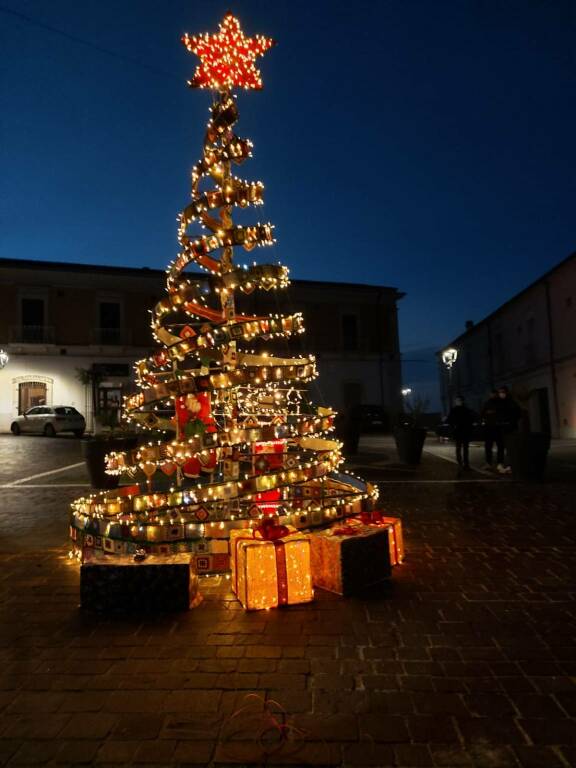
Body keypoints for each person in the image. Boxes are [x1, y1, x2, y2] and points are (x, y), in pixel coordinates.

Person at [494, 385, 521, 473]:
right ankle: (500, 464)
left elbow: (517, 413)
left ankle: (511, 465)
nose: (501, 394)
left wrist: (510, 422)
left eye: (502, 392)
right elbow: (496, 414)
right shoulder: (498, 403)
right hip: (501, 428)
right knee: (501, 447)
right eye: (499, 392)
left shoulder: (511, 402)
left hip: (510, 428)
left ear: (506, 393)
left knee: (511, 448)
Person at [447, 396, 476, 469]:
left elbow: (449, 420)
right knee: (461, 448)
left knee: (462, 448)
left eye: (459, 400)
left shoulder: (462, 410)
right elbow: (450, 420)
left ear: (462, 401)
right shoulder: (461, 410)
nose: (458, 402)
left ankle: (464, 463)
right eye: (457, 400)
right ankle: (462, 463)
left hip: (462, 431)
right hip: (461, 431)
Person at [481, 390, 501, 470]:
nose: (492, 395)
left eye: (494, 394)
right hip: (489, 427)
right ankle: (489, 463)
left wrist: (492, 412)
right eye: (491, 394)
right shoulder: (487, 403)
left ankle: (500, 463)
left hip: (497, 427)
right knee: (488, 446)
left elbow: (501, 413)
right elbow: (482, 413)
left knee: (500, 446)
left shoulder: (499, 403)